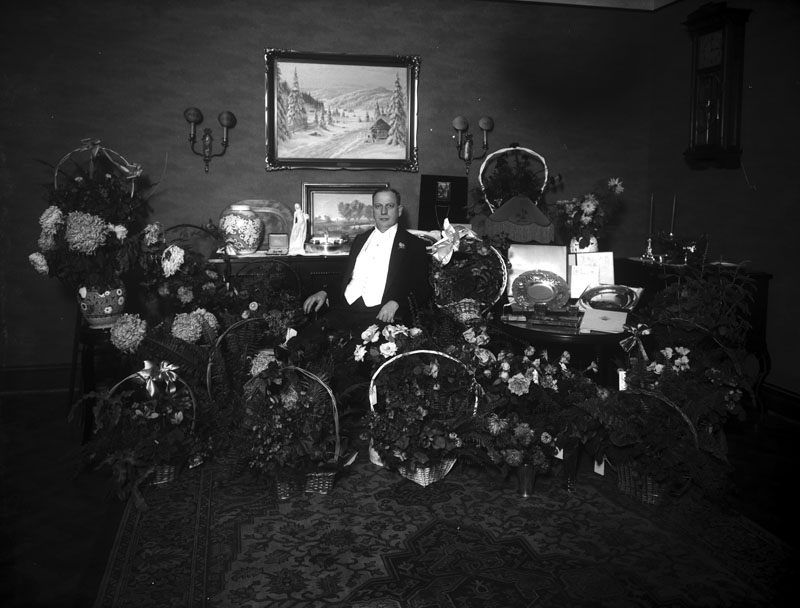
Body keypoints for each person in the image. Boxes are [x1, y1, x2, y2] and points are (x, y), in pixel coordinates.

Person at [302, 187, 431, 330]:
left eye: (389, 206)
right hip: (345, 308)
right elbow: (346, 275)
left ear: (399, 210)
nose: (383, 212)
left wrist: (397, 302)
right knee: (306, 336)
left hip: (380, 314)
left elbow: (422, 288)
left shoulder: (414, 244)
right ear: (372, 210)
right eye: (378, 206)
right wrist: (324, 292)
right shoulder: (360, 239)